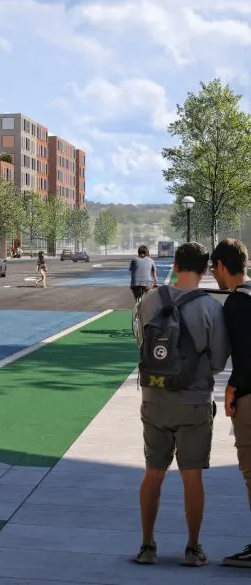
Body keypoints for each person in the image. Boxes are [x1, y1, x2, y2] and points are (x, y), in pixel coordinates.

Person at [132, 242, 227, 567]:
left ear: (174, 263)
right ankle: (193, 548)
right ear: (204, 270)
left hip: (155, 399)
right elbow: (217, 362)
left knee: (153, 473)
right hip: (193, 402)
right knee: (192, 477)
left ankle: (147, 546)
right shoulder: (211, 308)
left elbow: (143, 346)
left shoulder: (149, 300)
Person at [216, 238, 251, 569]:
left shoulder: (237, 304)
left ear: (223, 268)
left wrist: (231, 390)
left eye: (214, 268)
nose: (214, 275)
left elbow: (246, 357)